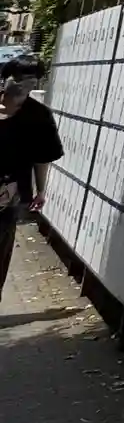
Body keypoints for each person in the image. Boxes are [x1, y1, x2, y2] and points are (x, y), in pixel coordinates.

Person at [0, 46, 63, 307]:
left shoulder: (39, 116)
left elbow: (42, 157)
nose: (24, 84)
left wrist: (41, 190)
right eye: (19, 78)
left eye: (32, 79)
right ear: (5, 77)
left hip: (8, 195)